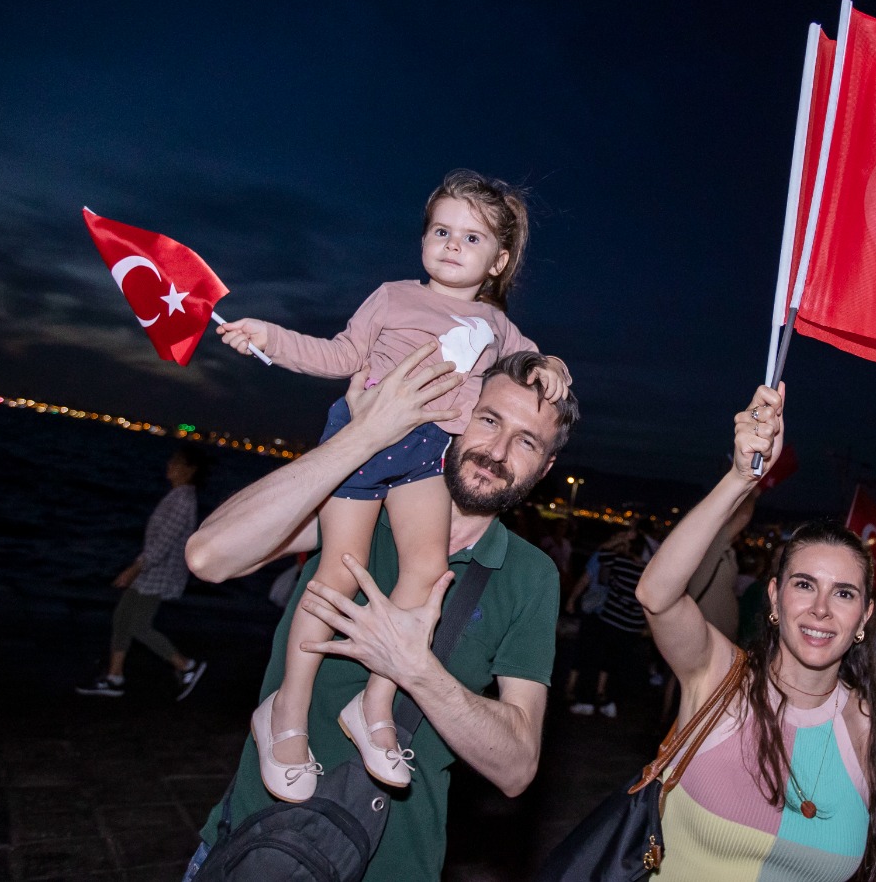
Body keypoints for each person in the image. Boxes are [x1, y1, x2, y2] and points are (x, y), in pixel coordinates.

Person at [214, 170, 572, 797]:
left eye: (472, 238)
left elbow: (534, 363)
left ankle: (374, 704)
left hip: (428, 454)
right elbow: (340, 354)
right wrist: (271, 338)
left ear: (499, 260)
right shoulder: (392, 297)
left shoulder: (498, 328)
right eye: (441, 231)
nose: (452, 245)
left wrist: (555, 367)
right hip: (368, 436)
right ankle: (286, 711)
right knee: (338, 571)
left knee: (427, 571)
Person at [180, 347, 574, 882]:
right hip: (255, 849)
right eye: (488, 420)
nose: (497, 451)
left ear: (545, 467)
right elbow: (208, 556)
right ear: (457, 412)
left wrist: (416, 669)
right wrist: (363, 437)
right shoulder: (361, 505)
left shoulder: (530, 575)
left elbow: (517, 766)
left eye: (526, 441)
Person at [632, 384, 876, 881]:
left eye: (843, 593)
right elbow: (656, 594)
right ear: (774, 597)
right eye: (804, 585)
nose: (821, 609)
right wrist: (740, 479)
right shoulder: (717, 679)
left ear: (864, 618)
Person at [76, 445, 212, 700]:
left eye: (175, 462)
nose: (169, 465)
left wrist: (134, 569)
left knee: (138, 625)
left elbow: (162, 544)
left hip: (158, 573)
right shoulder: (178, 496)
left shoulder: (183, 500)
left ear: (189, 470)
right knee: (122, 617)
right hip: (151, 569)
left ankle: (187, 666)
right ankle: (114, 677)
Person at [566, 524, 649, 718]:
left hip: (610, 619)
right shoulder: (647, 571)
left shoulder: (620, 562)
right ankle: (608, 703)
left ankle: (586, 701)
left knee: (594, 660)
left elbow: (602, 553)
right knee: (617, 665)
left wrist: (618, 540)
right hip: (632, 625)